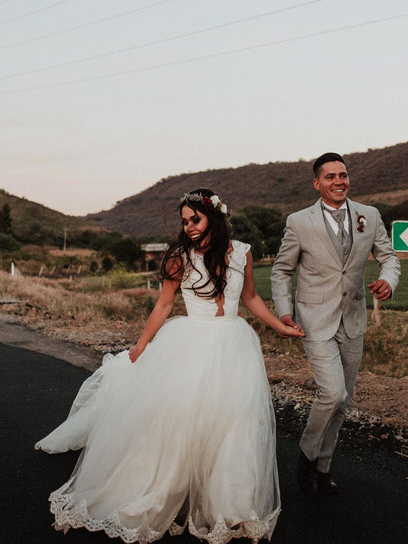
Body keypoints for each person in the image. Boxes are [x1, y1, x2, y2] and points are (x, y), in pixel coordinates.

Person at [36, 188, 304, 544]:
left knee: (236, 420)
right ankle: (167, 488)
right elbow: (164, 305)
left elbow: (251, 297)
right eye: (185, 221)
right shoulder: (180, 257)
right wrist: (142, 344)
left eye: (196, 218)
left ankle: (232, 504)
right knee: (182, 418)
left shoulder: (242, 252)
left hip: (235, 344)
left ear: (214, 216)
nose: (190, 227)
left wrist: (279, 326)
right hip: (191, 343)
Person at [271, 152, 400, 496]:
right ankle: (306, 455)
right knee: (332, 392)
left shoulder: (368, 216)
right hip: (314, 319)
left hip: (354, 318)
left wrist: (388, 280)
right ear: (317, 183)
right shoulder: (299, 221)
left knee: (344, 401)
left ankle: (323, 468)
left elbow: (388, 257)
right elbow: (282, 271)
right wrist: (284, 312)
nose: (338, 181)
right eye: (330, 177)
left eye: (343, 175)